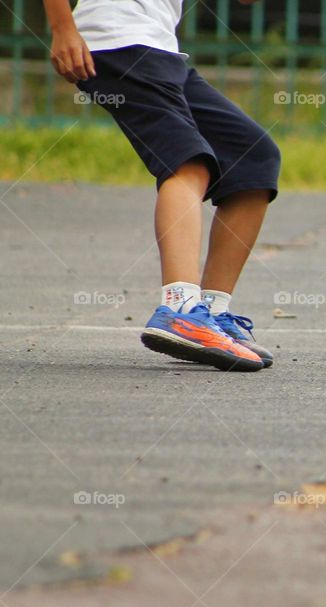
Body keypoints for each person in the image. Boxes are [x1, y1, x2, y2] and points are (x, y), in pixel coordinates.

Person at [43, 0, 279, 372]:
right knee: (188, 161)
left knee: (253, 157)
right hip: (117, 40)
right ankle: (180, 307)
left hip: (159, 48)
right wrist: (62, 27)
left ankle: (211, 312)